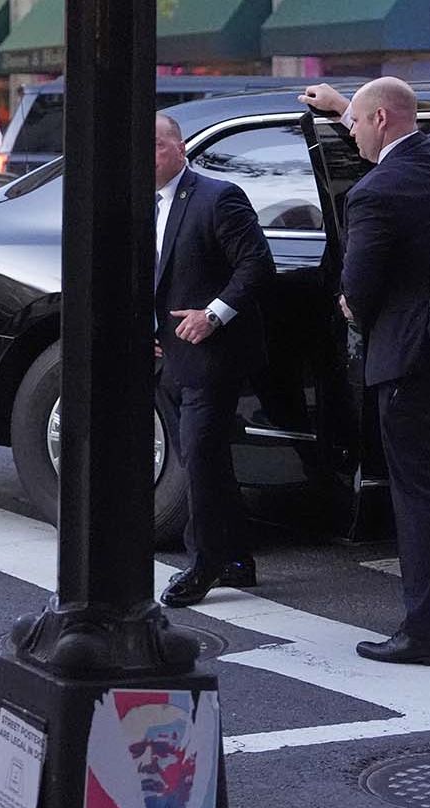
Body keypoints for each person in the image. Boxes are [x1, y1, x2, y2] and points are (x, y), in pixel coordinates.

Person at [299, 78, 430, 667]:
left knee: (416, 497)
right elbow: (392, 138)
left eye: (358, 124)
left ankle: (428, 632)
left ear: (381, 119)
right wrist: (342, 108)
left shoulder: (373, 195)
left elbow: (358, 290)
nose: (353, 133)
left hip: (413, 355)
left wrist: (347, 304)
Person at [152, 113, 275, 610]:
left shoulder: (217, 197)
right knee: (207, 460)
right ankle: (237, 558)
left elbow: (257, 264)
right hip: (170, 354)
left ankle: (203, 564)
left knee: (199, 454)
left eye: (157, 146)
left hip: (215, 352)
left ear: (180, 149)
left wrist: (213, 315)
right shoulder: (142, 205)